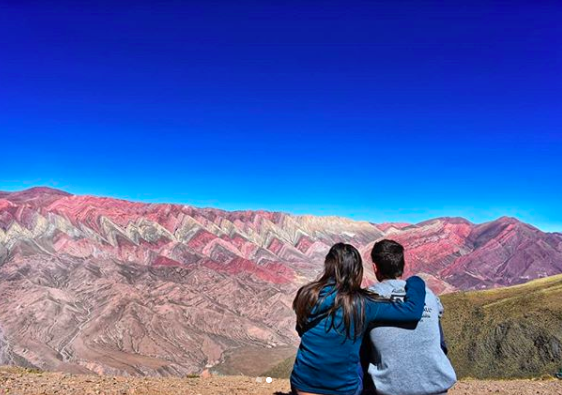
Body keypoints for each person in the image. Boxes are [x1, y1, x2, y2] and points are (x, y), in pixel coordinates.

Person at [290, 243, 427, 395]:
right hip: (342, 389)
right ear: (357, 270)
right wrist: (416, 282)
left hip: (301, 384)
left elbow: (301, 330)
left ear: (328, 265)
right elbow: (412, 311)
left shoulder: (307, 294)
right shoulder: (363, 304)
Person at [364, 239, 457, 395]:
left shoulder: (367, 298)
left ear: (375, 267)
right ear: (402, 267)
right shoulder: (427, 294)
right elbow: (441, 343)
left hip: (390, 390)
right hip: (437, 386)